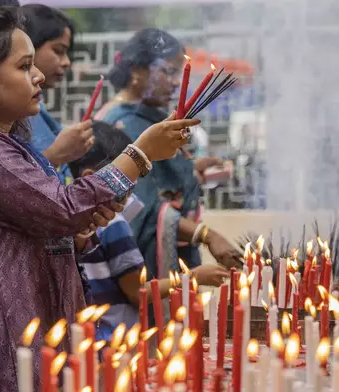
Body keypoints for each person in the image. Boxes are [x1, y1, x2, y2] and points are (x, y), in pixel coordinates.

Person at [0, 7, 200, 391]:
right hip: (0, 345)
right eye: (24, 66)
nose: (37, 75)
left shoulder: (10, 147)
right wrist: (139, 153)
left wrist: (78, 233)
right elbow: (62, 206)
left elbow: (52, 219)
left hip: (35, 334)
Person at [95, 28, 239, 283]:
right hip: (141, 265)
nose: (175, 82)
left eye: (177, 72)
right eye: (168, 71)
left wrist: (192, 171)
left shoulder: (145, 115)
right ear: (136, 71)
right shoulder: (120, 124)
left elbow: (157, 177)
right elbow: (140, 204)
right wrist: (206, 234)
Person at [70, 122, 231, 341]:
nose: (134, 187)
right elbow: (138, 292)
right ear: (91, 176)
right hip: (117, 339)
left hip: (89, 337)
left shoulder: (70, 220)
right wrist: (193, 276)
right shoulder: (113, 223)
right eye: (128, 177)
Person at [21, 4, 94, 185]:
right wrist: (56, 155)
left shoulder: (36, 105)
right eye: (58, 51)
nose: (67, 62)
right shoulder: (6, 115)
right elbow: (8, 186)